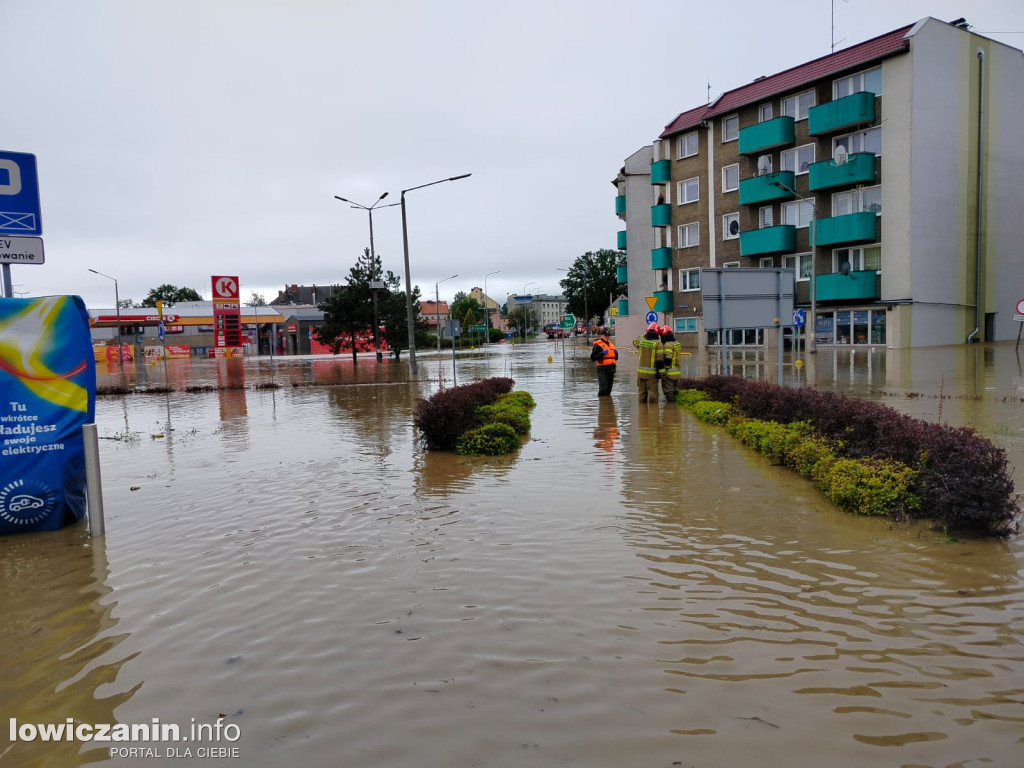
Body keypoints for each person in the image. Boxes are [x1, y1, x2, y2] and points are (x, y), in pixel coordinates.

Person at [632, 322, 664, 403]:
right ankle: (653, 414)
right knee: (653, 396)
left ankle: (642, 414)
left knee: (641, 395)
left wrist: (644, 335)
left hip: (640, 374)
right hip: (652, 375)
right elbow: (660, 360)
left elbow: (634, 341)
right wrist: (661, 374)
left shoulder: (641, 341)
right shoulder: (658, 344)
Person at [589, 326, 618, 396]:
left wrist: (616, 353)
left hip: (611, 368)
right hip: (602, 368)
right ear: (602, 336)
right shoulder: (598, 345)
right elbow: (592, 357)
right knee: (603, 388)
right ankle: (602, 403)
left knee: (609, 388)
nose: (607, 337)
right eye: (606, 335)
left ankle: (608, 404)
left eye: (608, 335)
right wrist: (601, 354)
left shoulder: (611, 345)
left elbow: (615, 358)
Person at [659, 325, 681, 403]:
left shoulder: (667, 344)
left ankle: (671, 408)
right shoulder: (677, 343)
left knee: (668, 392)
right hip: (677, 372)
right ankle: (677, 409)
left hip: (670, 373)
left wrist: (664, 369)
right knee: (675, 390)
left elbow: (668, 358)